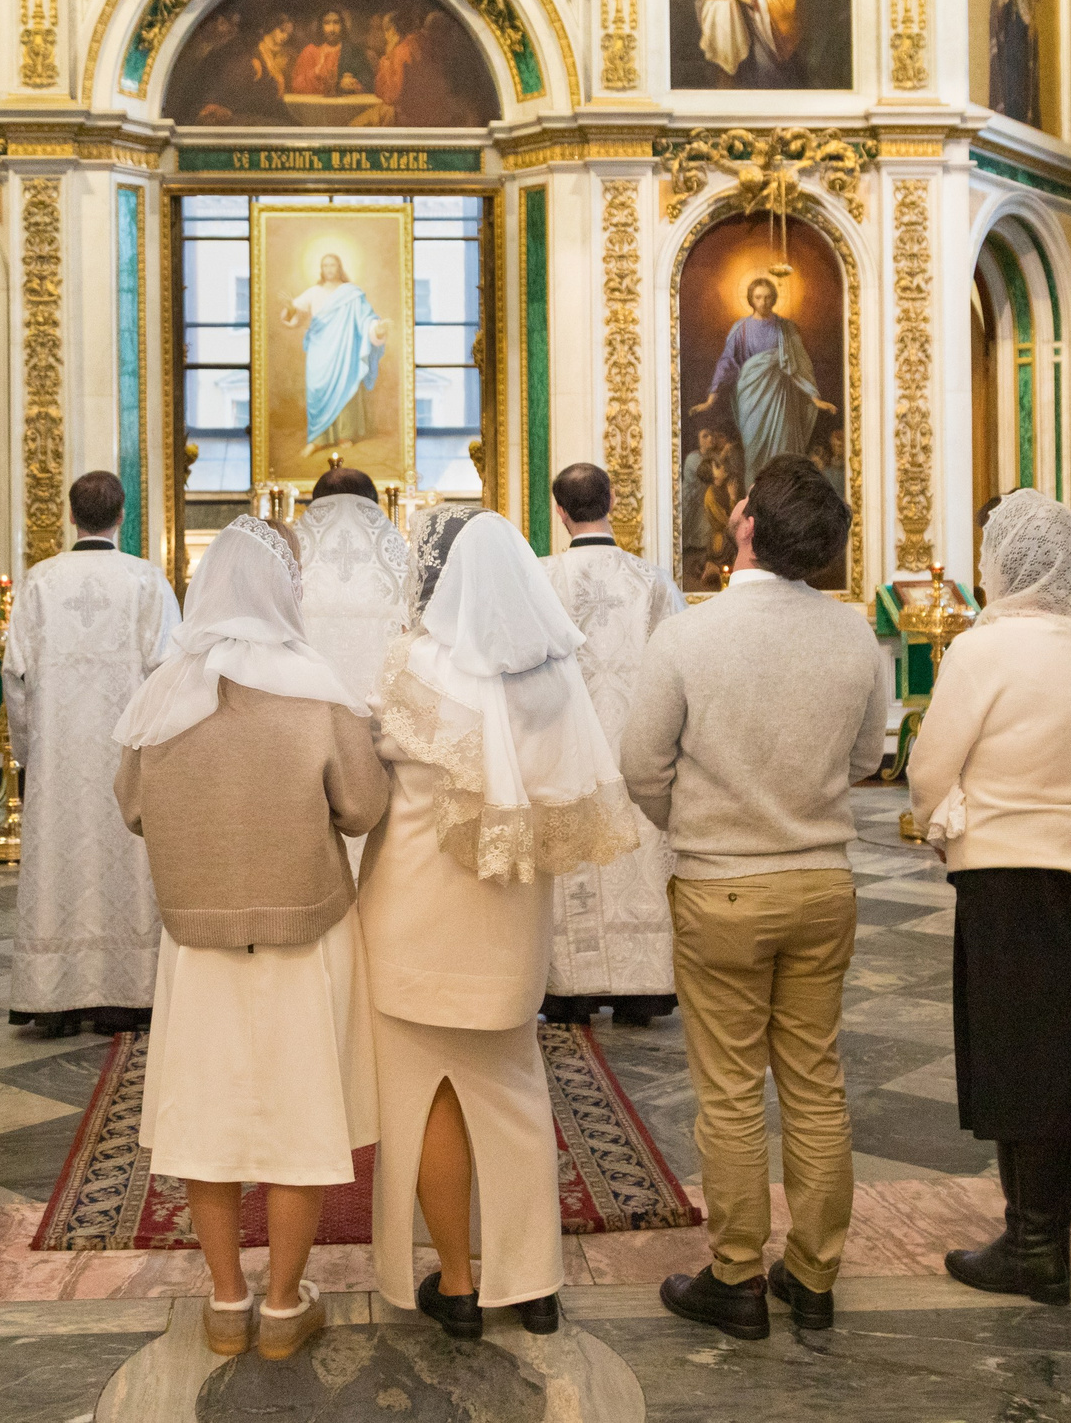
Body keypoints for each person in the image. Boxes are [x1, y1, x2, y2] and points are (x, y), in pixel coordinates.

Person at [624, 456, 894, 1339]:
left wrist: (693, 819)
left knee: (733, 1091)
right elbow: (865, 759)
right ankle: (813, 1277)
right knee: (816, 1082)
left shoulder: (689, 636)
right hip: (823, 880)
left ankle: (737, 1275)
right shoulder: (856, 636)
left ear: (744, 525)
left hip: (721, 887)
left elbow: (640, 765)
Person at [363, 506, 641, 1341]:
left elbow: (371, 775)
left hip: (411, 920)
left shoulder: (413, 665)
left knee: (424, 1101)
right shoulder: (552, 676)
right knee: (515, 1095)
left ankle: (455, 1282)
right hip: (509, 928)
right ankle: (535, 1284)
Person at [114, 517, 389, 1360]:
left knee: (207, 1119)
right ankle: (281, 1306)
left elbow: (130, 806)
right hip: (304, 936)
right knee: (301, 1119)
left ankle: (226, 1300)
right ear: (282, 589)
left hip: (198, 944)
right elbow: (364, 807)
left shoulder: (164, 691)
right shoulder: (317, 686)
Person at [908, 488, 1071, 1307]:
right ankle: (1040, 1232)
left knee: (1017, 1056)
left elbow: (932, 767)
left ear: (1006, 560)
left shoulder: (982, 650)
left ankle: (1033, 1244)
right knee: (1067, 1057)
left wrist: (939, 824)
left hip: (1007, 875)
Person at [6, 471, 180, 1034]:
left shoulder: (40, 582)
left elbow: (15, 676)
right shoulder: (145, 581)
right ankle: (127, 995)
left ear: (71, 515)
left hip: (58, 761)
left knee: (60, 863)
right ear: (121, 515)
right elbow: (172, 673)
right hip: (129, 756)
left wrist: (31, 753)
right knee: (125, 863)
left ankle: (56, 999)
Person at [539, 463, 683, 1025]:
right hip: (633, 746)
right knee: (636, 857)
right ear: (614, 501)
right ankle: (639, 990)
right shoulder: (652, 581)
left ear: (559, 510)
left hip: (562, 746)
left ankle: (568, 990)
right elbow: (676, 664)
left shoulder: (539, 577)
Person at [692, 276, 836, 490]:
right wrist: (710, 398)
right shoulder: (740, 329)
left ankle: (785, 498)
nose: (764, 302)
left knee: (784, 450)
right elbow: (726, 362)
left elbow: (801, 363)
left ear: (775, 299)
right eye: (758, 297)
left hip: (781, 397)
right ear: (751, 299)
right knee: (754, 451)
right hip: (751, 398)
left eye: (768, 297)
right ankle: (755, 500)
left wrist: (815, 398)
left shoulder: (786, 329)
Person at [293, 463, 410, 705]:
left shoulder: (290, 549)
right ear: (373, 502)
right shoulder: (394, 551)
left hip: (308, 701)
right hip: (382, 706)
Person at [280, 255, 386, 452]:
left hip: (344, 349)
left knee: (345, 388)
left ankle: (345, 435)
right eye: (325, 265)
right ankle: (317, 438)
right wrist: (289, 309)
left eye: (333, 265)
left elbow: (366, 320)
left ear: (339, 267)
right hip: (319, 348)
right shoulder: (313, 292)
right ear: (321, 269)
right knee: (317, 390)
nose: (329, 269)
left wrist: (377, 329)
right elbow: (296, 316)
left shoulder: (351, 293)